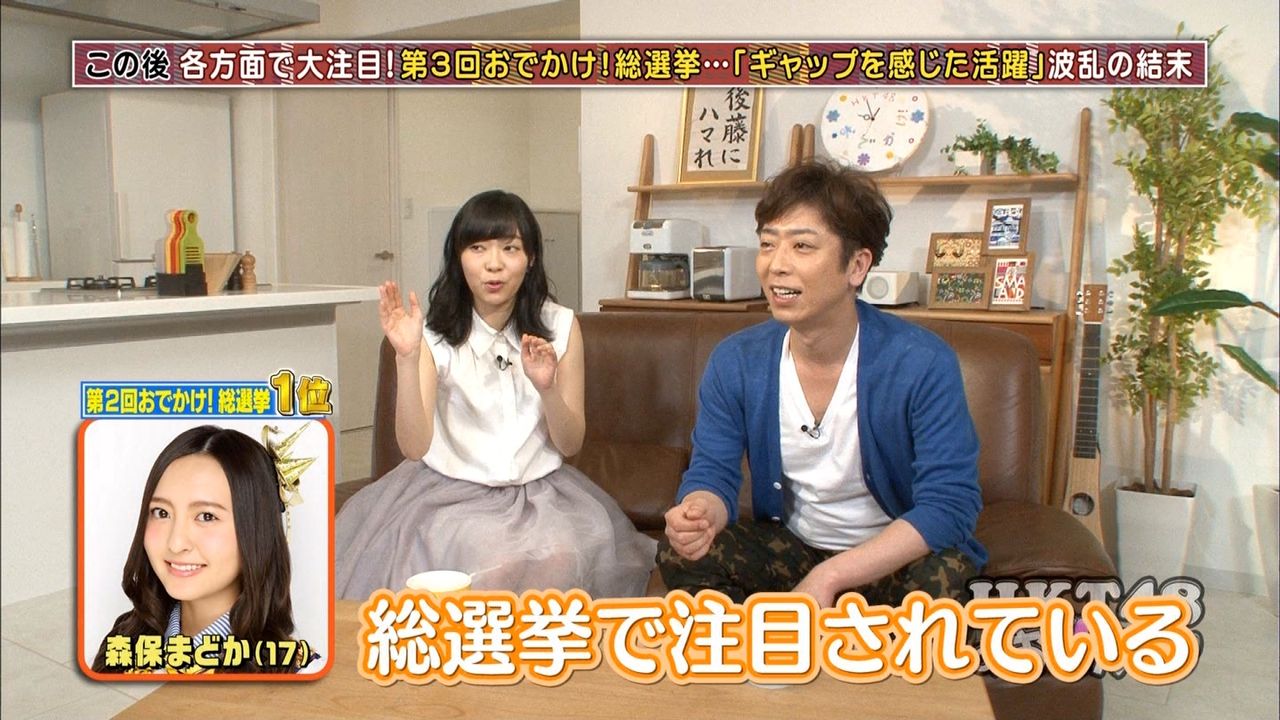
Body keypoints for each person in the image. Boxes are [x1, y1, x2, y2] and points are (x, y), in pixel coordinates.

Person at [658, 160, 986, 609]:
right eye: (767, 244)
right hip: (794, 550)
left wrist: (829, 577)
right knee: (681, 555)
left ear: (857, 265)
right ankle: (773, 646)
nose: (776, 265)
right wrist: (699, 513)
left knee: (945, 581)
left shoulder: (922, 362)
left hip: (892, 559)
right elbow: (712, 472)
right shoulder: (737, 360)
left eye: (802, 246)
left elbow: (949, 505)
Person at [336, 190, 655, 599]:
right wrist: (407, 357)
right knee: (494, 562)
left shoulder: (560, 325)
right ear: (458, 257)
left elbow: (570, 442)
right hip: (451, 495)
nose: (494, 263)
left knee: (561, 557)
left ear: (531, 257)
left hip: (540, 495)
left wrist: (547, 387)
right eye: (478, 248)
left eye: (510, 248)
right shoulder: (434, 335)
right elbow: (414, 447)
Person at [91, 425, 308, 674]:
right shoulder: (124, 642)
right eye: (161, 513)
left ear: (258, 530)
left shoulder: (290, 671)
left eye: (206, 516)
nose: (176, 543)